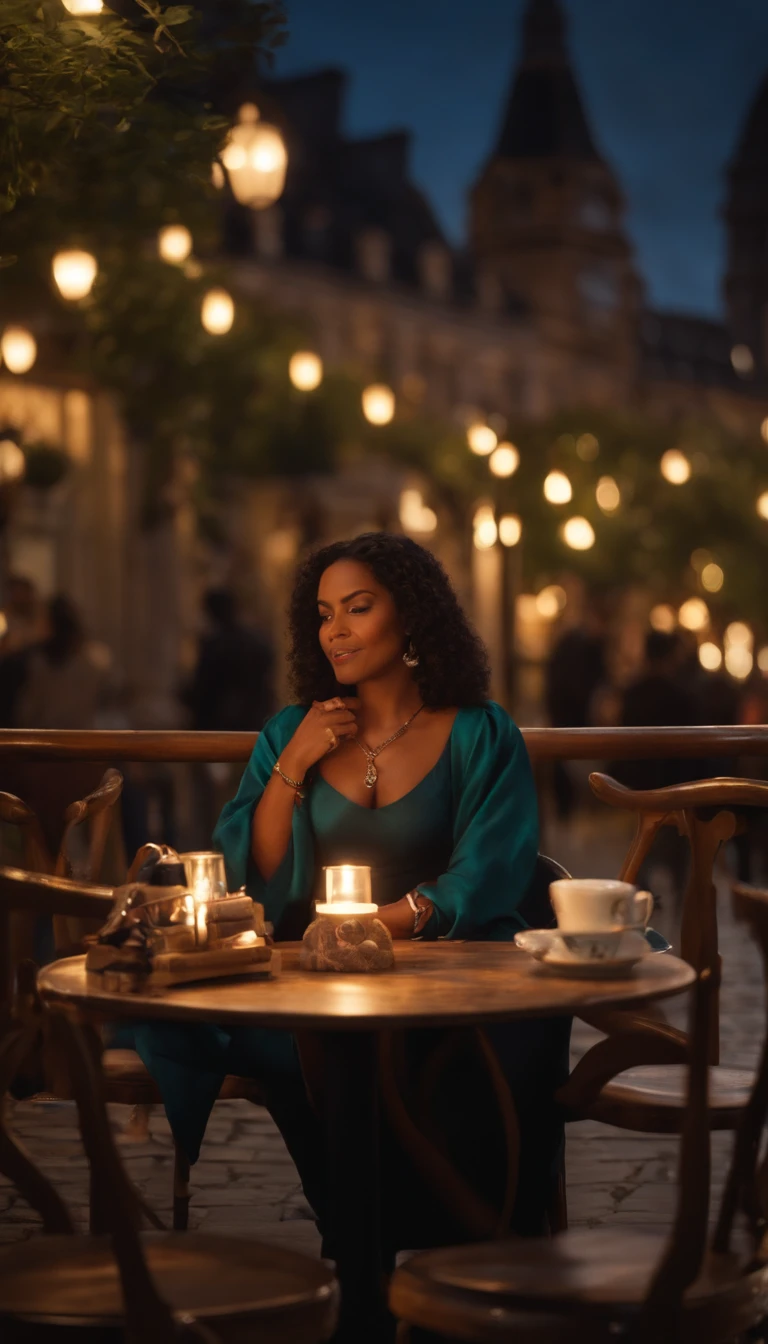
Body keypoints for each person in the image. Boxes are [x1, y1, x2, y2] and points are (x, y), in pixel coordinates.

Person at [129, 533, 569, 1250]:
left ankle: (443, 1255)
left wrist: (383, 923)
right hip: (320, 977)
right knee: (298, 1048)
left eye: (357, 608)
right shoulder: (289, 731)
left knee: (459, 1060)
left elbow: (490, 871)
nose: (334, 629)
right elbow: (254, 874)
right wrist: (294, 762)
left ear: (414, 616)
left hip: (458, 969)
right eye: (325, 613)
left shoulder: (482, 733)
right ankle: (358, 1247)